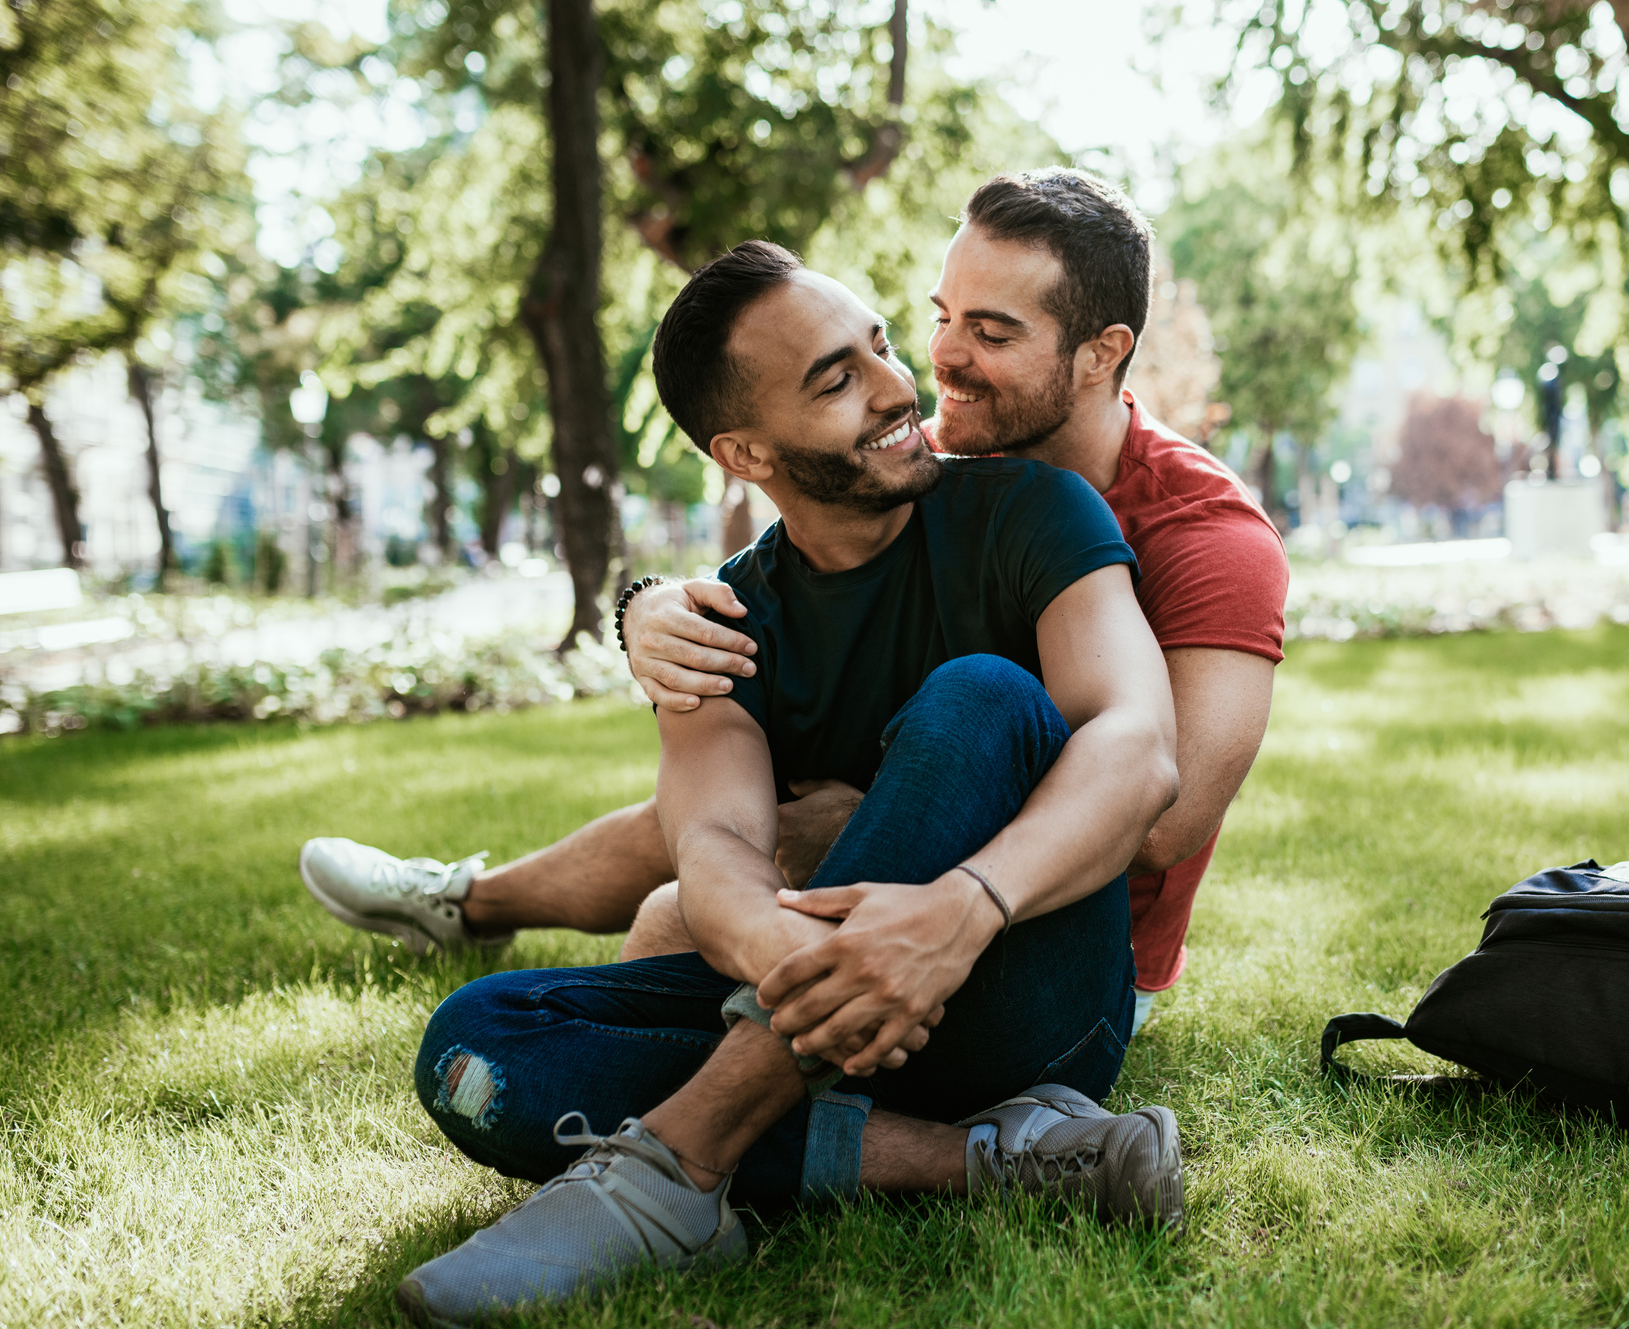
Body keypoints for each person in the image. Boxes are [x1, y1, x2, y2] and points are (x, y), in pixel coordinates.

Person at [391, 240, 1186, 1325]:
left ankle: (678, 1167)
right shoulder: (721, 624)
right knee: (477, 1047)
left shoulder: (1029, 511)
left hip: (1029, 997)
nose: (900, 387)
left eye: (879, 346)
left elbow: (1138, 746)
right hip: (829, 1004)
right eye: (836, 379)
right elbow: (711, 846)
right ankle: (995, 1159)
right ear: (743, 447)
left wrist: (963, 909)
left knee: (984, 698)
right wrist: (788, 956)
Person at [302, 169, 1289, 1035]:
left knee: (685, 905)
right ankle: (468, 903)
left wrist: (887, 818)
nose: (935, 362)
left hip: (1073, 928)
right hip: (916, 839)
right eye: (939, 316)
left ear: (1101, 351)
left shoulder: (1209, 541)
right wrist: (644, 607)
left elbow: (1160, 821)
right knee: (716, 822)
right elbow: (801, 544)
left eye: (991, 332)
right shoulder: (942, 465)